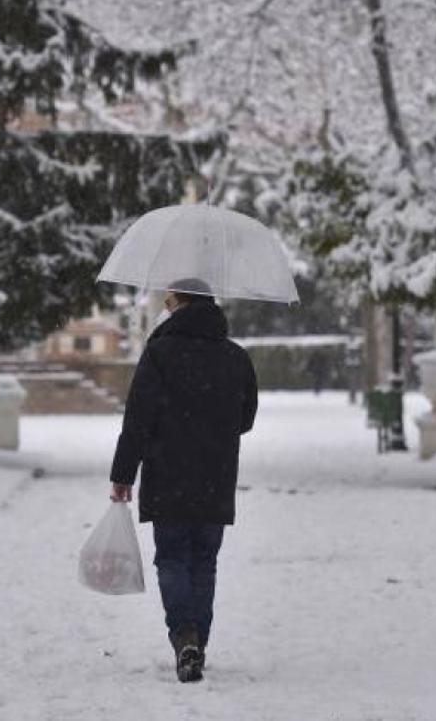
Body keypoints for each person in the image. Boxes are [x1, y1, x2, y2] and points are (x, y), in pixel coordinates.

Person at [109, 278, 258, 683]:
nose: (167, 308)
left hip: (168, 474)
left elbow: (137, 420)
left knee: (172, 558)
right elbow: (245, 419)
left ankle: (184, 637)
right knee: (204, 563)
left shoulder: (159, 354)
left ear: (180, 305)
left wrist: (123, 475)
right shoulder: (235, 357)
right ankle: (198, 644)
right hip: (216, 476)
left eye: (170, 301)